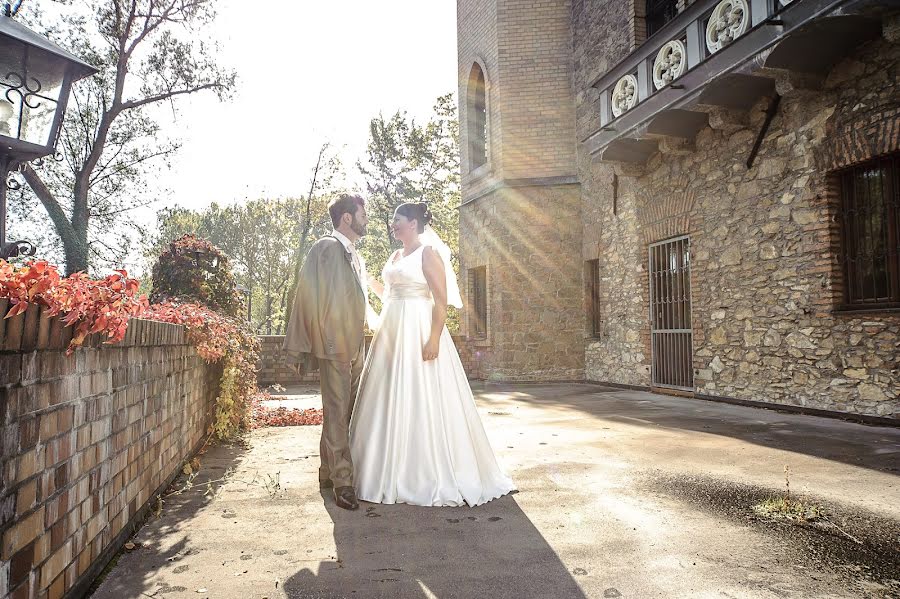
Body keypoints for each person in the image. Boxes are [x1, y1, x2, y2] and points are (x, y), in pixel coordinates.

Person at [350, 202, 515, 507]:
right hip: (392, 332)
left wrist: (434, 339)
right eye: (393, 222)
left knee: (422, 392)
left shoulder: (428, 253)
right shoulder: (396, 255)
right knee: (389, 395)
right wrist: (364, 278)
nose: (393, 225)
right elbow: (388, 294)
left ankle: (428, 473)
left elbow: (440, 301)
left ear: (413, 223)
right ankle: (385, 468)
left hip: (419, 328)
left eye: (398, 220)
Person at [283, 194, 374, 511]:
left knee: (343, 412)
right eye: (362, 213)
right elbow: (305, 295)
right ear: (347, 218)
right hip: (334, 345)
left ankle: (326, 473)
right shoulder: (325, 248)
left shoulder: (354, 255)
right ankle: (343, 483)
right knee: (337, 413)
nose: (367, 218)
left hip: (355, 344)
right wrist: (298, 347)